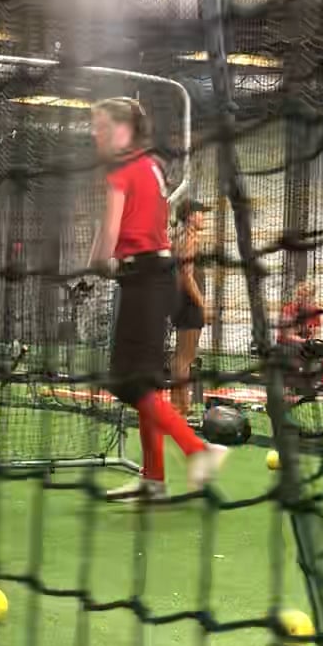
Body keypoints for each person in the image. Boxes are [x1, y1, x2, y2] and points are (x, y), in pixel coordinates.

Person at [86, 97, 225, 502]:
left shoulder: (122, 169)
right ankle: (154, 479)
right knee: (143, 380)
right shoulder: (150, 164)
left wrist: (98, 262)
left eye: (101, 126)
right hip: (152, 278)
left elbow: (109, 234)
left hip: (144, 278)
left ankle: (198, 451)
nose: (95, 133)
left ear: (124, 130)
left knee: (130, 380)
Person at [170, 199, 209, 416]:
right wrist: (203, 305)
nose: (203, 217)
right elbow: (187, 277)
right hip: (189, 303)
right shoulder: (189, 239)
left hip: (181, 303)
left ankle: (177, 405)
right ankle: (183, 408)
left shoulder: (180, 238)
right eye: (200, 213)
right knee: (185, 358)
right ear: (191, 216)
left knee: (181, 357)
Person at [277, 279, 323, 399]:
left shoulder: (314, 312)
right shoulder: (288, 310)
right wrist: (306, 342)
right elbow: (287, 335)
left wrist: (316, 343)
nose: (301, 299)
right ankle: (287, 388)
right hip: (287, 344)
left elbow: (316, 334)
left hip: (305, 344)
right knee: (293, 350)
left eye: (306, 297)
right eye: (300, 296)